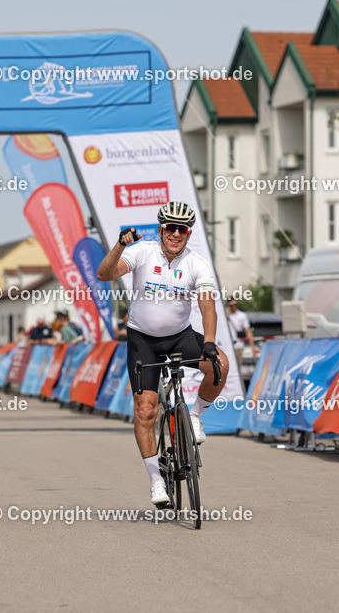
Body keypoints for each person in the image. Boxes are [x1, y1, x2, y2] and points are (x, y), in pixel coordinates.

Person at [97, 200, 229, 509]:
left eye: (181, 229)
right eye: (170, 228)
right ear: (160, 229)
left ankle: (194, 415)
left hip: (180, 337)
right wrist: (119, 245)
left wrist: (208, 341)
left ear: (188, 233)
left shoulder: (196, 263)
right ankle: (156, 479)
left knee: (219, 363)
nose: (175, 234)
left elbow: (208, 304)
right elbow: (106, 274)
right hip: (143, 339)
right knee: (146, 410)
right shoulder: (142, 252)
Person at [225, 299, 256, 371]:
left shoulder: (242, 315)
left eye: (235, 305)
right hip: (227, 345)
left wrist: (252, 346)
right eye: (231, 305)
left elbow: (248, 331)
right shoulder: (225, 315)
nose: (233, 307)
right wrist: (226, 314)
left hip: (238, 344)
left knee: (237, 366)